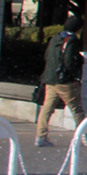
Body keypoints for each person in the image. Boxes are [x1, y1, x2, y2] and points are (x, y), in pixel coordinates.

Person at [34, 19, 83, 148]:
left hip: (50, 79)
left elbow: (47, 56)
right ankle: (85, 135)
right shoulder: (72, 40)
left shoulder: (56, 38)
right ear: (78, 28)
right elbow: (69, 61)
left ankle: (41, 136)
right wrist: (75, 75)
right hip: (64, 81)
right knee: (76, 109)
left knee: (47, 109)